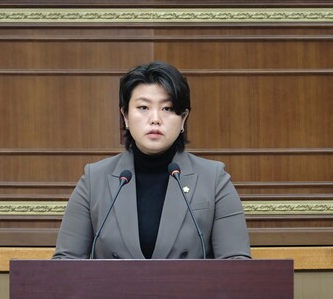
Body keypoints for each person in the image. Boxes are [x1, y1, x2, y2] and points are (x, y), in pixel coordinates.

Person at [52, 61, 251, 259]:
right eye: (143, 107)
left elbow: (236, 264)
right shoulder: (94, 179)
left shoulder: (214, 179)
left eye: (167, 108)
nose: (155, 119)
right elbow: (65, 263)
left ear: (183, 118)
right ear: (125, 116)